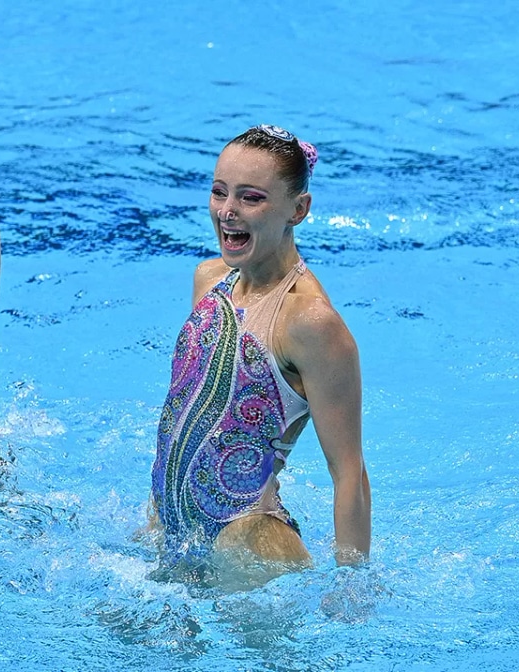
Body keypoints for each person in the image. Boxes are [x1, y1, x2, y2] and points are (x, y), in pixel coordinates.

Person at [149, 124, 370, 586]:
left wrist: (353, 590)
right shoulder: (209, 281)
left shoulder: (310, 322)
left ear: (298, 210)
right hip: (170, 525)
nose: (227, 212)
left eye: (251, 198)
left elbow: (348, 471)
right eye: (219, 192)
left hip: (251, 542)